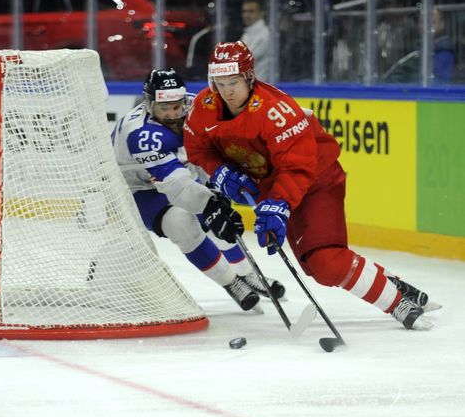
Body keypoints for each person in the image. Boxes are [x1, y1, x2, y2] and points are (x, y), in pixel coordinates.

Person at [183, 41, 440, 330]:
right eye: (220, 82)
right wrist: (219, 171)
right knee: (313, 266)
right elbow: (198, 148)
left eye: (234, 82)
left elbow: (298, 166)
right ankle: (395, 287)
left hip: (316, 180)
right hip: (276, 186)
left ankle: (399, 305)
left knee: (325, 261)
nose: (227, 90)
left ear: (249, 77)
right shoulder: (204, 107)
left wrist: (279, 203)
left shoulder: (274, 110)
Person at [111, 68, 286, 312]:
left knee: (219, 217)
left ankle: (248, 273)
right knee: (181, 224)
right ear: (149, 104)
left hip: (185, 173)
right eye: (165, 108)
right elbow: (175, 185)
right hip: (139, 188)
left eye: (177, 105)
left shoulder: (196, 105)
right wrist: (210, 204)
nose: (173, 114)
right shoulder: (142, 134)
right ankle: (231, 282)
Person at [239, 0, 270, 80]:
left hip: (260, 86)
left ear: (261, 13)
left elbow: (244, 60)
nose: (247, 15)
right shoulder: (246, 34)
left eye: (251, 11)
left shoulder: (266, 34)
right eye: (244, 11)